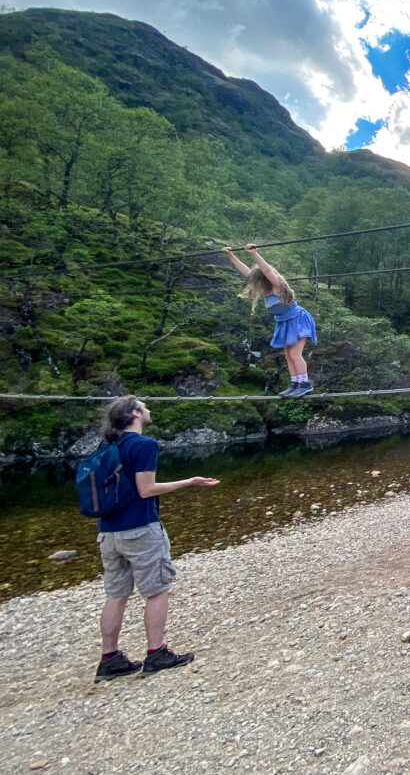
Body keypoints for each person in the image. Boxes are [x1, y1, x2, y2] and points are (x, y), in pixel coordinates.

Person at [93, 396, 219, 682]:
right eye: (143, 405)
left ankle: (109, 658)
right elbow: (146, 489)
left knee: (116, 595)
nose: (148, 409)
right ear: (136, 413)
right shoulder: (144, 445)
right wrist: (189, 482)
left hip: (108, 532)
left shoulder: (107, 445)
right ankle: (156, 652)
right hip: (140, 528)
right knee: (157, 590)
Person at [222, 243, 318, 397]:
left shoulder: (277, 286)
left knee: (295, 354)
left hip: (298, 320)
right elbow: (246, 271)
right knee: (288, 355)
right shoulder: (266, 290)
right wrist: (231, 256)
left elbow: (267, 270)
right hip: (284, 322)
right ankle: (295, 383)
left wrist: (255, 254)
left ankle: (305, 384)